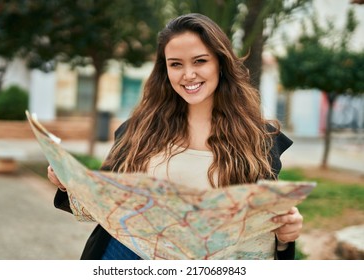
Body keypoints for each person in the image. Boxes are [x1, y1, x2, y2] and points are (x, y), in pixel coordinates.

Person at [48, 13, 303, 260]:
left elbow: (264, 229)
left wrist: (284, 237)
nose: (188, 74)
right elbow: (106, 204)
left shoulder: (260, 141)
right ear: (165, 69)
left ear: (220, 63)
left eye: (200, 61)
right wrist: (67, 182)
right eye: (176, 64)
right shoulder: (137, 130)